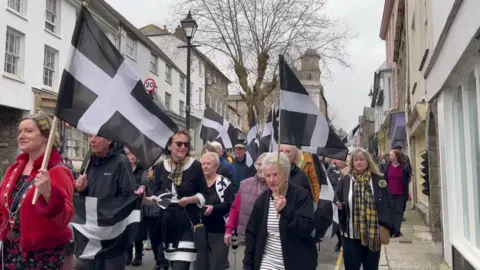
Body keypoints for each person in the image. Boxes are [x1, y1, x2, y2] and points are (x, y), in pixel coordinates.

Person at [0, 114, 75, 269]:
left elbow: (65, 217)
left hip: (41, 254)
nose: (21, 135)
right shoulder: (13, 170)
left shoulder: (58, 171)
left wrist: (48, 193)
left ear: (45, 137)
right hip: (11, 250)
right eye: (20, 131)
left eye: (28, 131)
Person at [243, 152, 317, 270]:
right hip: (267, 263)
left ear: (285, 174)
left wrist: (285, 211)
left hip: (295, 262)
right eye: (268, 175)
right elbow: (252, 233)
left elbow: (306, 228)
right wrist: (247, 265)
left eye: (275, 174)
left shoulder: (301, 196)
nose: (271, 180)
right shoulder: (263, 200)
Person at [145, 131, 208, 270]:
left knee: (181, 266)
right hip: (167, 223)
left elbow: (205, 193)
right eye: (179, 143)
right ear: (169, 146)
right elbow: (156, 196)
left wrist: (191, 199)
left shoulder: (195, 166)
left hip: (187, 221)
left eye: (186, 144)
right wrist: (145, 198)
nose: (183, 147)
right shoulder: (161, 167)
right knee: (174, 264)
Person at [75, 138, 137, 270]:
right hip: (89, 231)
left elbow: (128, 196)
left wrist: (107, 213)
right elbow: (82, 194)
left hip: (111, 234)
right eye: (91, 136)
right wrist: (82, 188)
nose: (92, 140)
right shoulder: (88, 159)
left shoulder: (121, 161)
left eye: (97, 136)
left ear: (109, 140)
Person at [335, 148, 395, 270]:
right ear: (352, 163)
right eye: (355, 160)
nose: (358, 162)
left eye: (361, 159)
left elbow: (388, 204)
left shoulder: (378, 180)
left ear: (368, 161)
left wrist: (389, 226)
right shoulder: (345, 181)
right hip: (350, 236)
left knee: (371, 267)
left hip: (373, 235)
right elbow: (337, 201)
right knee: (351, 267)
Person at [195, 152, 235, 270]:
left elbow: (229, 205)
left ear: (217, 166)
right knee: (199, 265)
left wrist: (214, 209)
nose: (205, 166)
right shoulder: (196, 183)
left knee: (217, 265)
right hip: (198, 230)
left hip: (219, 230)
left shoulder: (223, 182)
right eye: (203, 163)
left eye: (209, 163)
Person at [225, 153, 269, 245]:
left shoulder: (278, 187)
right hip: (247, 237)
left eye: (264, 164)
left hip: (269, 239)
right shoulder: (245, 184)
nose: (260, 168)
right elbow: (235, 209)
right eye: (258, 164)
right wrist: (229, 230)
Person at [125, 148, 147, 266]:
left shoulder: (142, 169)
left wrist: (141, 187)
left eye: (134, 154)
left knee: (137, 229)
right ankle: (128, 255)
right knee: (127, 228)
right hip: (126, 202)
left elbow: (144, 181)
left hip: (138, 202)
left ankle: (138, 255)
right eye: (129, 154)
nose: (132, 157)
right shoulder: (124, 168)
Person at [384, 149, 410, 237]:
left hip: (401, 193)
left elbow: (406, 181)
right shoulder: (387, 166)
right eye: (389, 155)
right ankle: (392, 230)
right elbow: (384, 179)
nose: (389, 157)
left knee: (398, 212)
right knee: (391, 212)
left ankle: (397, 230)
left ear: (396, 156)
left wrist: (408, 192)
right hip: (389, 193)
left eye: (391, 155)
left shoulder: (403, 167)